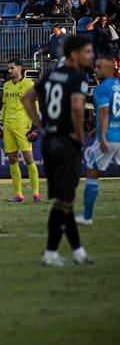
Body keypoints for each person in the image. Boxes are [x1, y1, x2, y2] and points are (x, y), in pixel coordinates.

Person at [21, 34, 94, 267]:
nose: (90, 56)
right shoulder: (77, 78)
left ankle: (78, 251)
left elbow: (27, 97)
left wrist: (41, 124)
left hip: (49, 142)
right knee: (64, 201)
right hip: (66, 142)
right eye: (87, 52)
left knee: (66, 200)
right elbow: (76, 106)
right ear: (74, 55)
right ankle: (50, 253)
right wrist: (80, 137)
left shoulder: (52, 74)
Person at [76, 57, 120, 225]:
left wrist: (101, 135)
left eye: (100, 67)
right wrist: (97, 127)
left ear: (110, 70)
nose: (96, 70)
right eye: (96, 67)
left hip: (108, 137)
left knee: (92, 173)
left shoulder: (101, 89)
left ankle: (87, 216)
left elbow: (104, 113)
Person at [0, 59, 41, 203]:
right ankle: (18, 194)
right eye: (8, 68)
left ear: (20, 68)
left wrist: (35, 126)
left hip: (23, 127)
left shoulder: (28, 84)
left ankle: (36, 194)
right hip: (8, 127)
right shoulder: (7, 85)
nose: (9, 71)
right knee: (12, 159)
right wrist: (0, 124)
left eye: (12, 68)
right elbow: (4, 105)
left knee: (29, 159)